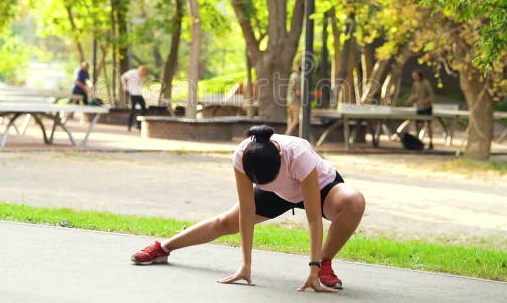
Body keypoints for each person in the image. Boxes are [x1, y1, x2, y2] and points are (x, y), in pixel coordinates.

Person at [131, 125, 366, 292]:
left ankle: (324, 264)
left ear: (281, 158)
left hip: (320, 188)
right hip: (278, 193)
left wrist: (313, 268)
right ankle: (162, 248)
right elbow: (246, 211)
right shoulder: (244, 155)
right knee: (225, 222)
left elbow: (314, 220)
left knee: (353, 201)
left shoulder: (299, 153)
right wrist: (245, 264)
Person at [406, 69, 435, 149]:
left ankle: (431, 142)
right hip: (419, 108)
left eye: (415, 75)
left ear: (419, 76)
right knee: (417, 124)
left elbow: (431, 96)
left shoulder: (426, 84)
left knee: (428, 125)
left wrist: (423, 102)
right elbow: (414, 95)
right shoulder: (415, 84)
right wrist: (407, 102)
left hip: (427, 107)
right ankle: (417, 141)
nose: (413, 77)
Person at [121, 65, 149, 130]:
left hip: (138, 93)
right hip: (132, 93)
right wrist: (124, 86)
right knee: (133, 109)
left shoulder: (140, 76)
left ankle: (138, 123)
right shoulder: (133, 72)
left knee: (144, 108)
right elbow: (123, 76)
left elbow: (140, 84)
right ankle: (129, 125)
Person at [285, 61, 302, 136]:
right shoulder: (299, 78)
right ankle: (286, 135)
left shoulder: (293, 75)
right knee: (295, 120)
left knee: (290, 119)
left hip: (289, 101)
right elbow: (298, 92)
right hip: (295, 102)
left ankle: (287, 136)